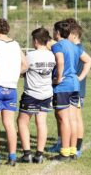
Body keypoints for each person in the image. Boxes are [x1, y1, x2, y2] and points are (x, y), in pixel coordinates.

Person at [0, 18, 27, 166]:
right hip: (11, 88)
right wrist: (14, 74)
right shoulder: (16, 44)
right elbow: (25, 65)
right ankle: (12, 157)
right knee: (9, 124)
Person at [50, 20, 91, 161]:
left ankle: (64, 152)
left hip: (63, 86)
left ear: (57, 32)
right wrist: (79, 77)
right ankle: (73, 151)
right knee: (73, 119)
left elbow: (60, 61)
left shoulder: (58, 46)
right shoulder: (75, 46)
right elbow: (88, 60)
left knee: (64, 119)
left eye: (53, 31)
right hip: (75, 85)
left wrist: (58, 78)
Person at [17, 28, 56, 164]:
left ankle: (27, 154)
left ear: (35, 40)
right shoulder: (52, 55)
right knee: (41, 123)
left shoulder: (30, 56)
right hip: (46, 94)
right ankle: (39, 154)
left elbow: (21, 70)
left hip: (31, 94)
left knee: (22, 122)